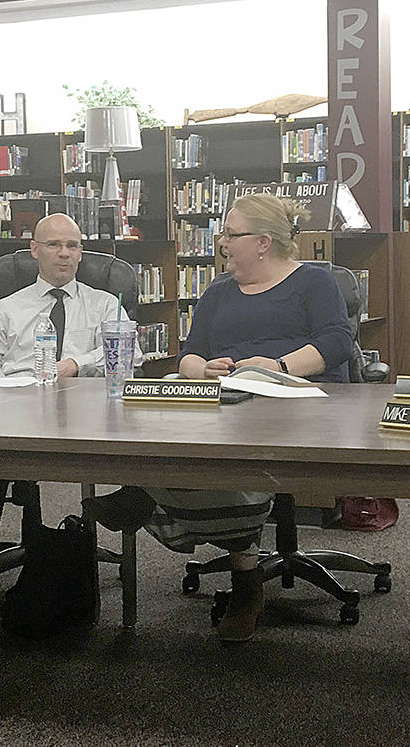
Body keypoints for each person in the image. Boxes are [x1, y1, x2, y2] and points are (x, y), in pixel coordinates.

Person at [89, 193, 353, 642]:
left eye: (231, 234)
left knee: (227, 463)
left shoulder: (315, 283)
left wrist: (279, 367)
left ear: (263, 242)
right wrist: (202, 369)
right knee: (165, 415)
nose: (222, 242)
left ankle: (238, 575)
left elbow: (337, 342)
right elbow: (190, 354)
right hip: (226, 398)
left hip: (293, 402)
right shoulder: (217, 292)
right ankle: (147, 486)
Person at [0, 213, 120, 635]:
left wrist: (75, 363)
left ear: (81, 252)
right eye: (54, 245)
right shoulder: (5, 310)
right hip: (14, 420)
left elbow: (127, 356)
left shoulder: (105, 305)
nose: (65, 254)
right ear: (34, 250)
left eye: (73, 245)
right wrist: (20, 385)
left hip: (90, 424)